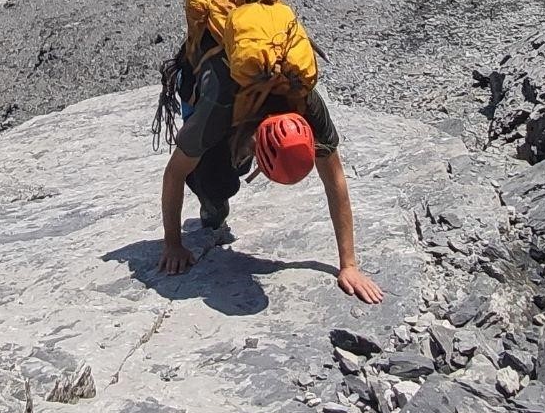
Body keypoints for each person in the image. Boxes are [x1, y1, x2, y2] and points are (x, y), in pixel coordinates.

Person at [154, 20, 383, 304]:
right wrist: (173, 245)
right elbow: (174, 174)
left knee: (233, 166)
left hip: (244, 106)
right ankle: (212, 206)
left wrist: (348, 266)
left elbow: (335, 179)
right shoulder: (218, 109)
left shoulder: (305, 102)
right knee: (214, 179)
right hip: (200, 75)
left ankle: (229, 171)